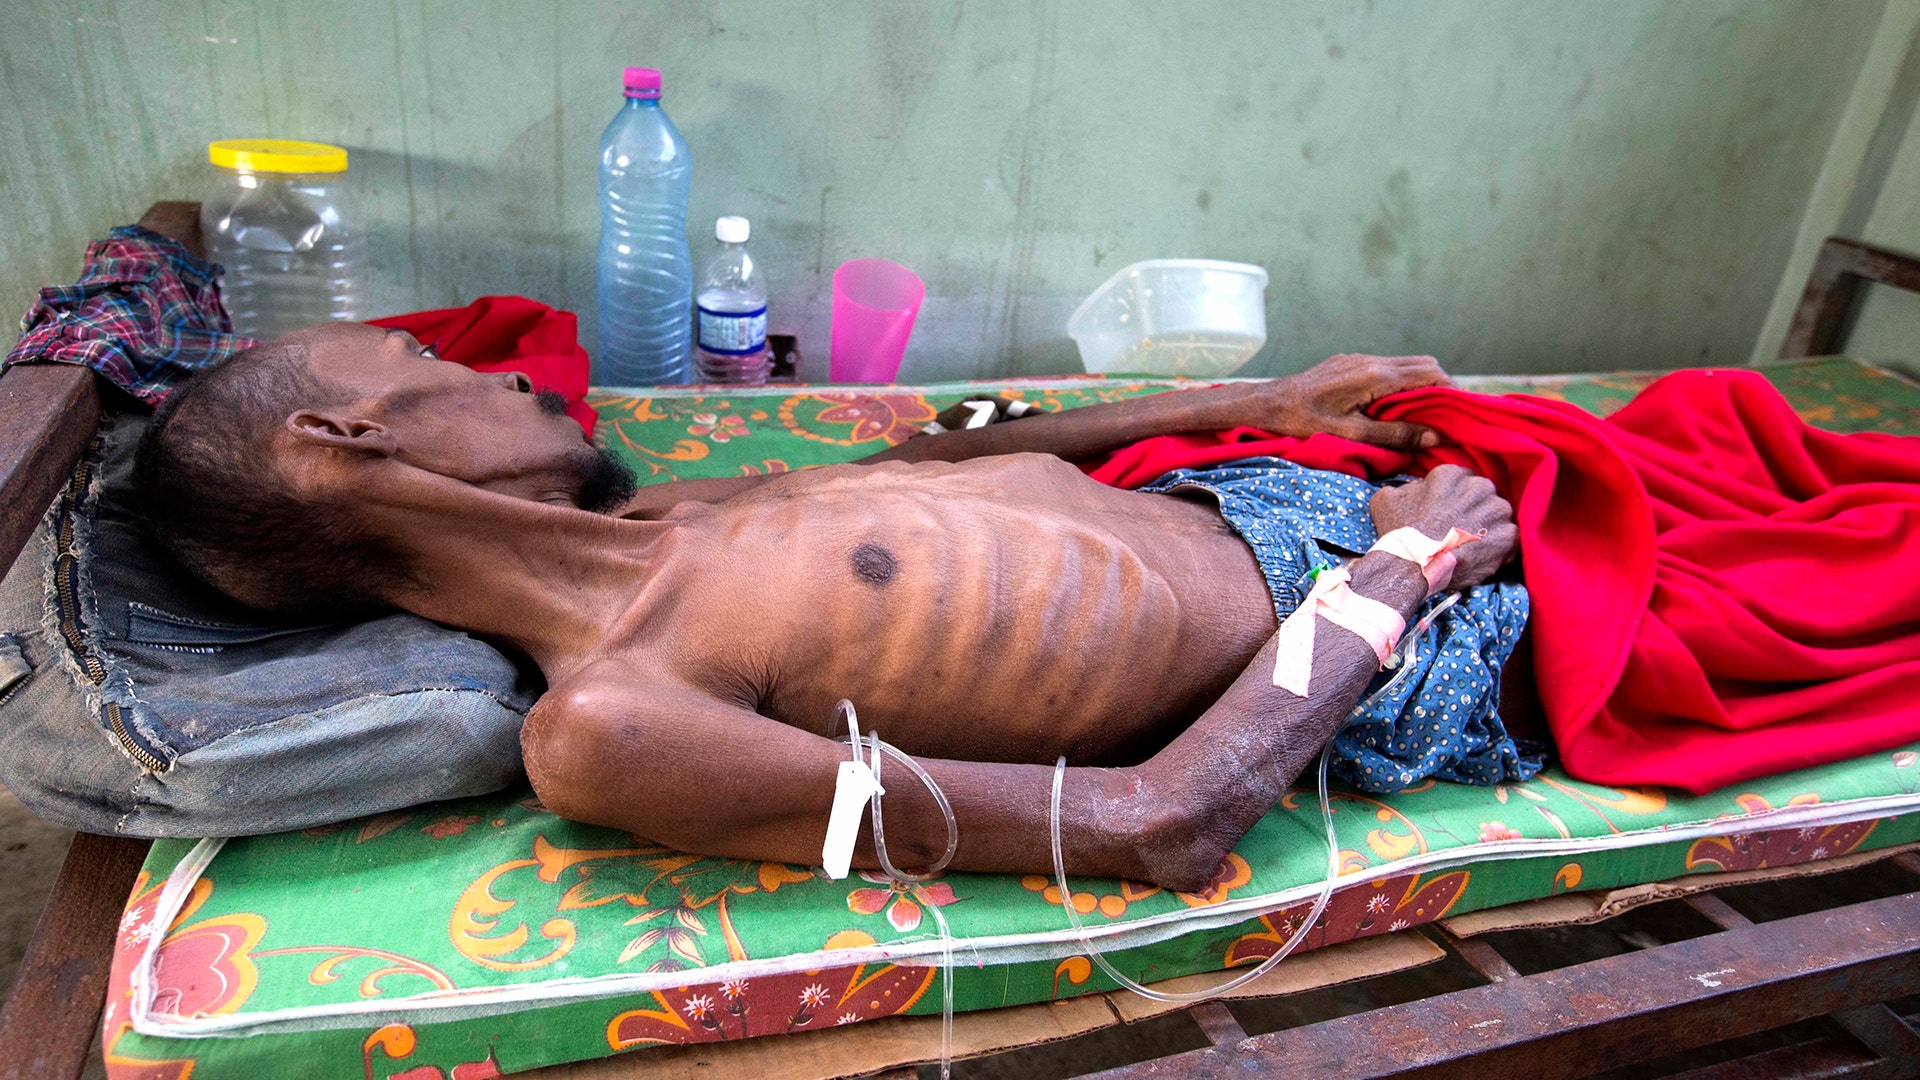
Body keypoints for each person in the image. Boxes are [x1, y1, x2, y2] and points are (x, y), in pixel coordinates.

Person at [136, 325, 1516, 891]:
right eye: (427, 355)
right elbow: (1158, 822)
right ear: (341, 440)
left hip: (1288, 496)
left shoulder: (669, 518)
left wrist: (1251, 404)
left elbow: (918, 465)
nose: (501, 371)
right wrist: (1403, 576)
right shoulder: (615, 719)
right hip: (1404, 640)